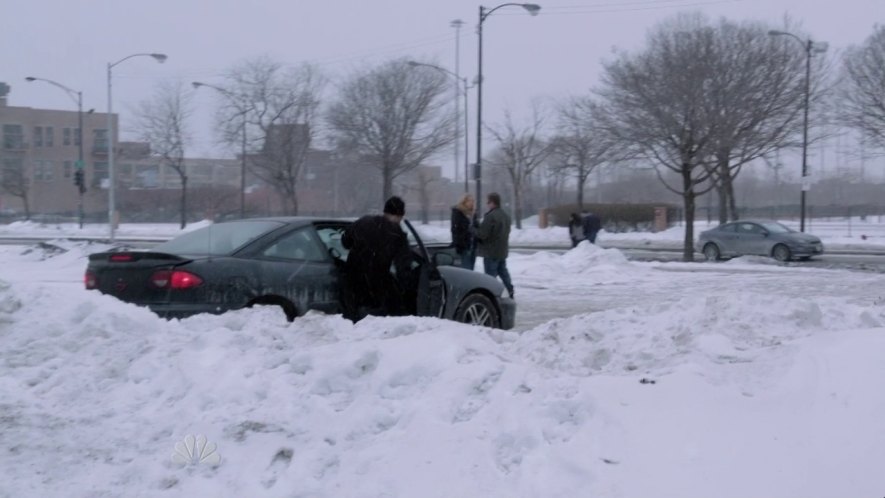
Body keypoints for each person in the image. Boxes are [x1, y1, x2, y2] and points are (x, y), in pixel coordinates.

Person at [341, 196, 414, 320]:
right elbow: (403, 266)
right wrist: (406, 288)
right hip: (376, 283)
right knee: (375, 318)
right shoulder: (397, 234)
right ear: (400, 215)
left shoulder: (364, 221)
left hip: (352, 279)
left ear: (385, 211)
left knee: (352, 317)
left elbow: (345, 242)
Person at [476, 192, 514, 299]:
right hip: (502, 251)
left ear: (492, 202)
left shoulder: (490, 216)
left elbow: (483, 234)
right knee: (503, 272)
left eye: (488, 202)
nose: (487, 204)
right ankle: (510, 290)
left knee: (490, 277)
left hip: (491, 251)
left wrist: (474, 230)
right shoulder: (506, 216)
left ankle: (492, 294)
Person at [450, 193, 477, 270]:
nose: (471, 203)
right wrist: (459, 243)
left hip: (472, 245)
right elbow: (455, 229)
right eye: (469, 201)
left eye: (473, 201)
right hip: (464, 246)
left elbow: (476, 227)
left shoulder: (473, 214)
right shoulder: (458, 213)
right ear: (464, 202)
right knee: (466, 268)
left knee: (471, 268)